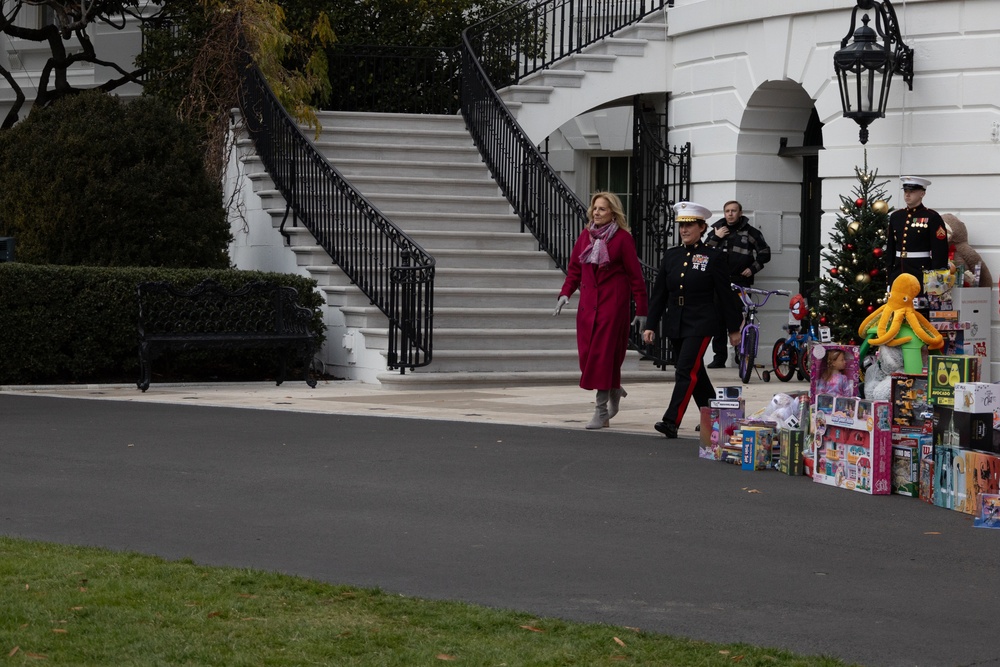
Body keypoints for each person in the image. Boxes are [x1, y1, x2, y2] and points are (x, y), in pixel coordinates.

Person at [642, 202, 742, 439]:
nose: (684, 230)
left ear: (701, 227)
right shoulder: (671, 256)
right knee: (694, 372)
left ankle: (671, 421)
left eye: (689, 225)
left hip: (702, 320)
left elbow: (726, 295)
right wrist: (650, 324)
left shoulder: (713, 256)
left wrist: (733, 328)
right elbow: (659, 294)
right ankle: (716, 417)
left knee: (685, 370)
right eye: (681, 226)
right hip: (676, 320)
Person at [554, 192, 648, 430]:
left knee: (603, 358)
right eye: (595, 208)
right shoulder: (585, 236)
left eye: (602, 209)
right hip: (587, 307)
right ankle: (614, 386)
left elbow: (636, 276)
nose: (596, 212)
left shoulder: (623, 239)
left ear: (613, 213)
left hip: (612, 307)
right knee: (587, 358)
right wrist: (565, 293)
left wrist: (641, 308)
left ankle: (601, 410)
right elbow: (575, 268)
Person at [703, 200, 771, 368]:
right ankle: (719, 358)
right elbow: (703, 252)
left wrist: (752, 269)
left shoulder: (750, 232)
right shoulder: (716, 230)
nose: (730, 214)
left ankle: (742, 356)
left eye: (734, 211)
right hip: (718, 282)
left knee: (741, 320)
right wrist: (716, 237)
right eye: (727, 211)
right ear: (724, 213)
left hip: (740, 282)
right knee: (717, 320)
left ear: (740, 213)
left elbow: (765, 253)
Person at [885, 177, 949, 296]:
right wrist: (889, 278)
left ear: (922, 193)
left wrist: (935, 282)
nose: (907, 195)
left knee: (919, 311)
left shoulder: (932, 217)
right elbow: (891, 249)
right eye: (905, 191)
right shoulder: (896, 216)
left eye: (912, 192)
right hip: (899, 271)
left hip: (921, 272)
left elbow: (940, 251)